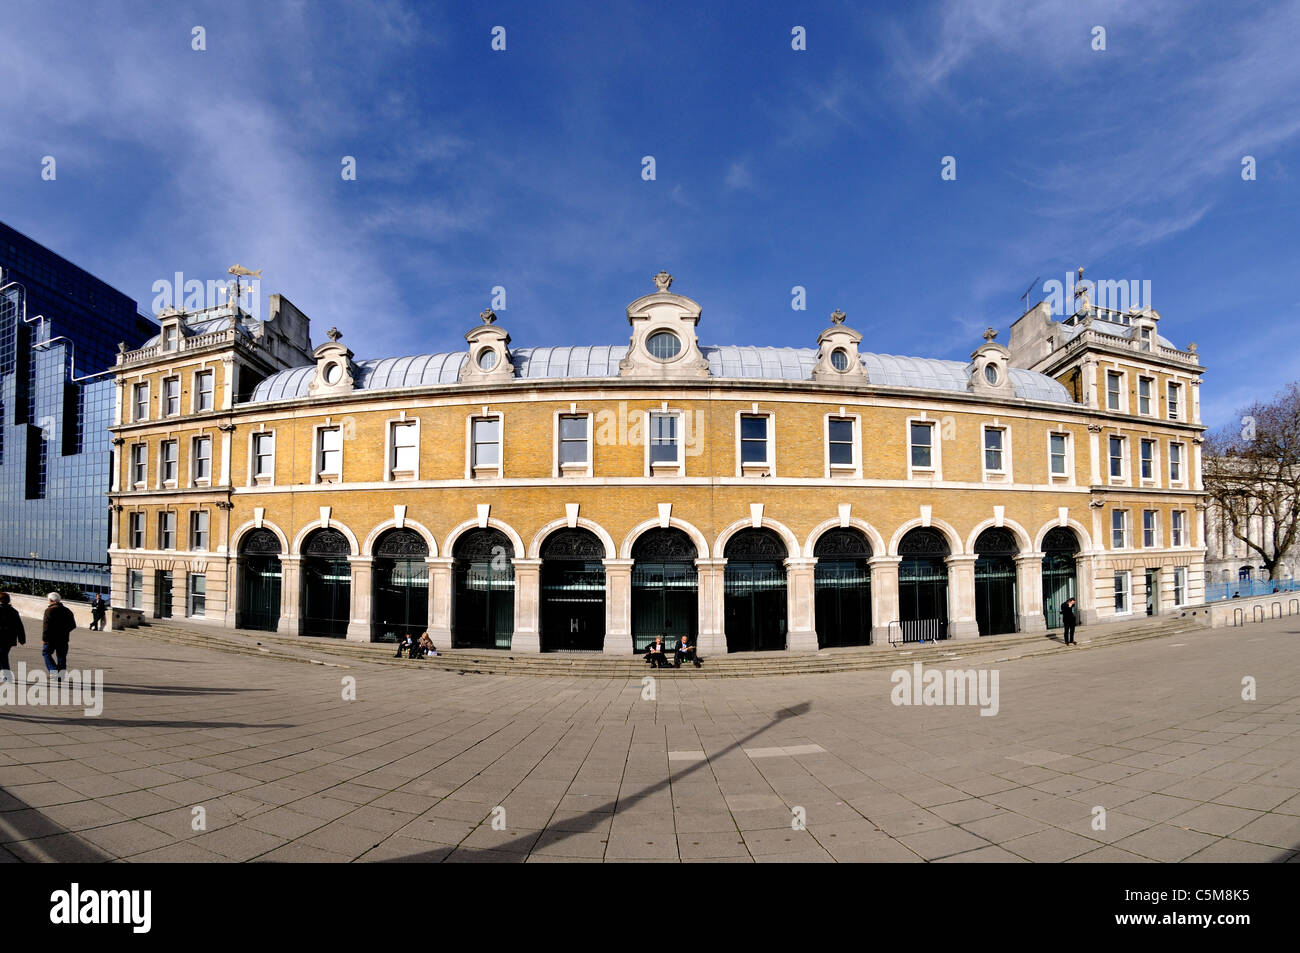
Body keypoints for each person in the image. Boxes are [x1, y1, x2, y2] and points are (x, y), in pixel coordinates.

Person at [42, 592, 76, 677]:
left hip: (51, 638)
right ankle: (61, 676)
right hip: (63, 638)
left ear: (51, 600)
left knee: (46, 653)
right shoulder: (67, 610)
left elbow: (46, 626)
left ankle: (54, 671)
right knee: (61, 657)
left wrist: (44, 639)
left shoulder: (49, 610)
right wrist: (64, 631)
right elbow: (73, 625)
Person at [0, 592, 25, 683]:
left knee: (3, 656)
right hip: (9, 639)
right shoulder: (13, 611)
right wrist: (22, 638)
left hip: (2, 638)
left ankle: (7, 676)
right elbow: (19, 626)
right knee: (2, 656)